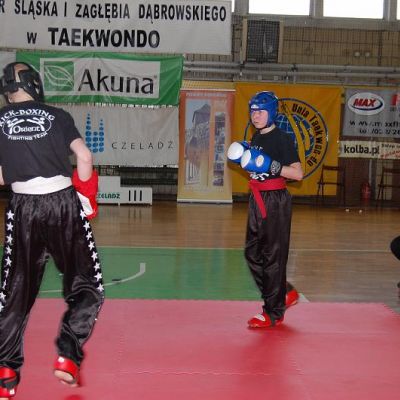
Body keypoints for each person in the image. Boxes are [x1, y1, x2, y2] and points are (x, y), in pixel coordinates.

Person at [0, 62, 104, 398]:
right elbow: (84, 156)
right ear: (34, 84)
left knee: (15, 292)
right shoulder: (56, 115)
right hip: (62, 205)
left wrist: (20, 168)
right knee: (87, 285)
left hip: (22, 207)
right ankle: (68, 356)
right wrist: (87, 197)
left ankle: (6, 373)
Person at [227, 91, 303, 328]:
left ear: (271, 113)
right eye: (253, 111)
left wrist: (272, 166)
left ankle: (273, 312)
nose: (255, 116)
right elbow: (256, 166)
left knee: (272, 256)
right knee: (252, 252)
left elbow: (297, 174)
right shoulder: (257, 136)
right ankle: (283, 292)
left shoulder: (282, 138)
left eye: (260, 111)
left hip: (275, 200)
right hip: (257, 198)